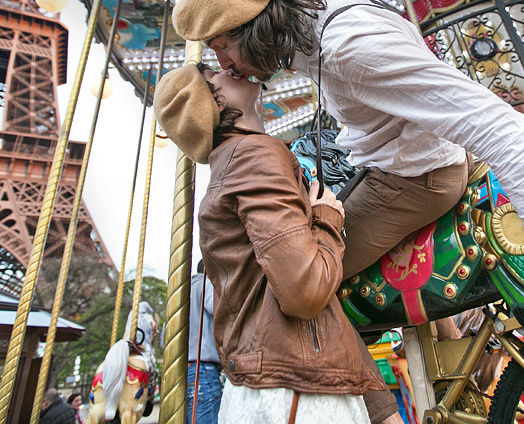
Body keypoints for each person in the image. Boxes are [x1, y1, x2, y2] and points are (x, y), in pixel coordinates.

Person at [171, 0, 524, 423]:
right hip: (397, 163)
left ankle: (384, 415)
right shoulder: (316, 18)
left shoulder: (349, 45)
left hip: (414, 179)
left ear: (253, 26)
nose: (221, 61)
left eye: (221, 45)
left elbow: (504, 129)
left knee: (303, 289)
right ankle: (451, 341)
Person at [154, 62, 385, 424]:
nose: (228, 70)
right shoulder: (254, 155)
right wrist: (327, 220)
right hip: (295, 389)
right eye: (216, 76)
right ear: (210, 105)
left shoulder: (230, 165)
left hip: (264, 384)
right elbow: (304, 289)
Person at [186, 259, 222, 424]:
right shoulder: (206, 284)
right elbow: (219, 309)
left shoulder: (181, 291)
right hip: (203, 369)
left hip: (183, 371)